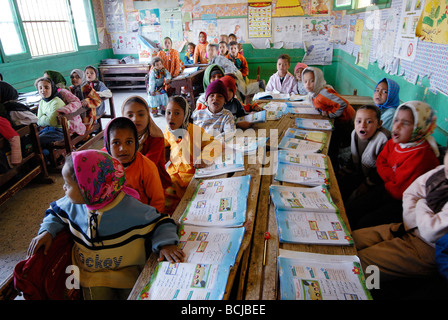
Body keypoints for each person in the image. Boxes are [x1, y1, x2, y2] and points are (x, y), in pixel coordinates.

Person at [27, 149, 184, 300]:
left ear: (87, 188)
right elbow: (54, 213)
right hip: (91, 276)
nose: (63, 188)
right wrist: (47, 231)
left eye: (68, 185)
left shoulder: (129, 208)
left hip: (127, 274)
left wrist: (166, 244)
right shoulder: (72, 204)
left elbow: (162, 222)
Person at [352, 149, 448, 286]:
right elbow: (410, 193)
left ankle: (358, 289)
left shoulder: (424, 155)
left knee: (361, 265)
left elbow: (430, 231)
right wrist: (418, 219)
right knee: (352, 239)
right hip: (405, 227)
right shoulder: (441, 171)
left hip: (426, 248)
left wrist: (422, 203)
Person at [347, 101, 440, 229]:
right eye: (396, 120)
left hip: (403, 204)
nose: (397, 126)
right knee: (352, 208)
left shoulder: (421, 156)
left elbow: (398, 191)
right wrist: (393, 175)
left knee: (364, 223)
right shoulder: (395, 142)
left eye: (406, 123)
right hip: (387, 188)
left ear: (420, 127)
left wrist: (388, 174)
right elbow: (380, 161)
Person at [164, 95, 222, 204]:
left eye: (177, 113)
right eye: (168, 113)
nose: (171, 117)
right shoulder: (168, 131)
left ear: (185, 115)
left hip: (190, 177)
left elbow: (215, 144)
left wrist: (203, 158)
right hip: (172, 176)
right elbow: (163, 145)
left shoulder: (195, 131)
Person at [103, 117, 165, 213]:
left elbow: (158, 202)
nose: (123, 148)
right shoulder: (102, 164)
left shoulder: (147, 167)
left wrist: (151, 222)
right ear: (108, 145)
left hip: (142, 218)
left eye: (129, 142)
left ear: (136, 143)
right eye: (116, 143)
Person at [303, 66, 355, 170]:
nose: (307, 84)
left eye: (312, 81)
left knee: (332, 145)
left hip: (345, 120)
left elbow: (343, 104)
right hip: (337, 120)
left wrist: (330, 114)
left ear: (318, 80)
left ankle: (335, 168)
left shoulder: (323, 93)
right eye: (305, 81)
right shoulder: (314, 93)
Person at [338, 105, 390, 202]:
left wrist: (367, 184)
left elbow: (382, 169)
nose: (362, 125)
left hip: (377, 183)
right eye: (358, 121)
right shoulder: (355, 134)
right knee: (338, 185)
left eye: (369, 122)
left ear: (379, 124)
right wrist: (345, 171)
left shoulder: (384, 139)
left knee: (355, 204)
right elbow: (354, 156)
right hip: (361, 175)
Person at [121, 95, 171, 189]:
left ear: (148, 115)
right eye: (130, 115)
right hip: (129, 180)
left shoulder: (156, 137)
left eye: (141, 114)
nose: (135, 119)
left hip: (154, 182)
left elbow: (147, 166)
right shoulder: (120, 138)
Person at [43, 70, 86, 136]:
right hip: (59, 122)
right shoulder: (47, 94)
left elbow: (77, 102)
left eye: (48, 80)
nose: (44, 82)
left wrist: (64, 110)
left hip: (69, 122)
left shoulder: (62, 91)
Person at [35, 77, 65, 146]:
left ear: (52, 88)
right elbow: (38, 121)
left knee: (37, 140)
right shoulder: (42, 102)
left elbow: (52, 122)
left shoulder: (56, 101)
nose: (43, 90)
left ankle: (46, 155)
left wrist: (43, 117)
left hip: (59, 131)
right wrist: (45, 119)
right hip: (48, 129)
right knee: (31, 138)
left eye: (46, 87)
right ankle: (46, 154)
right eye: (40, 88)